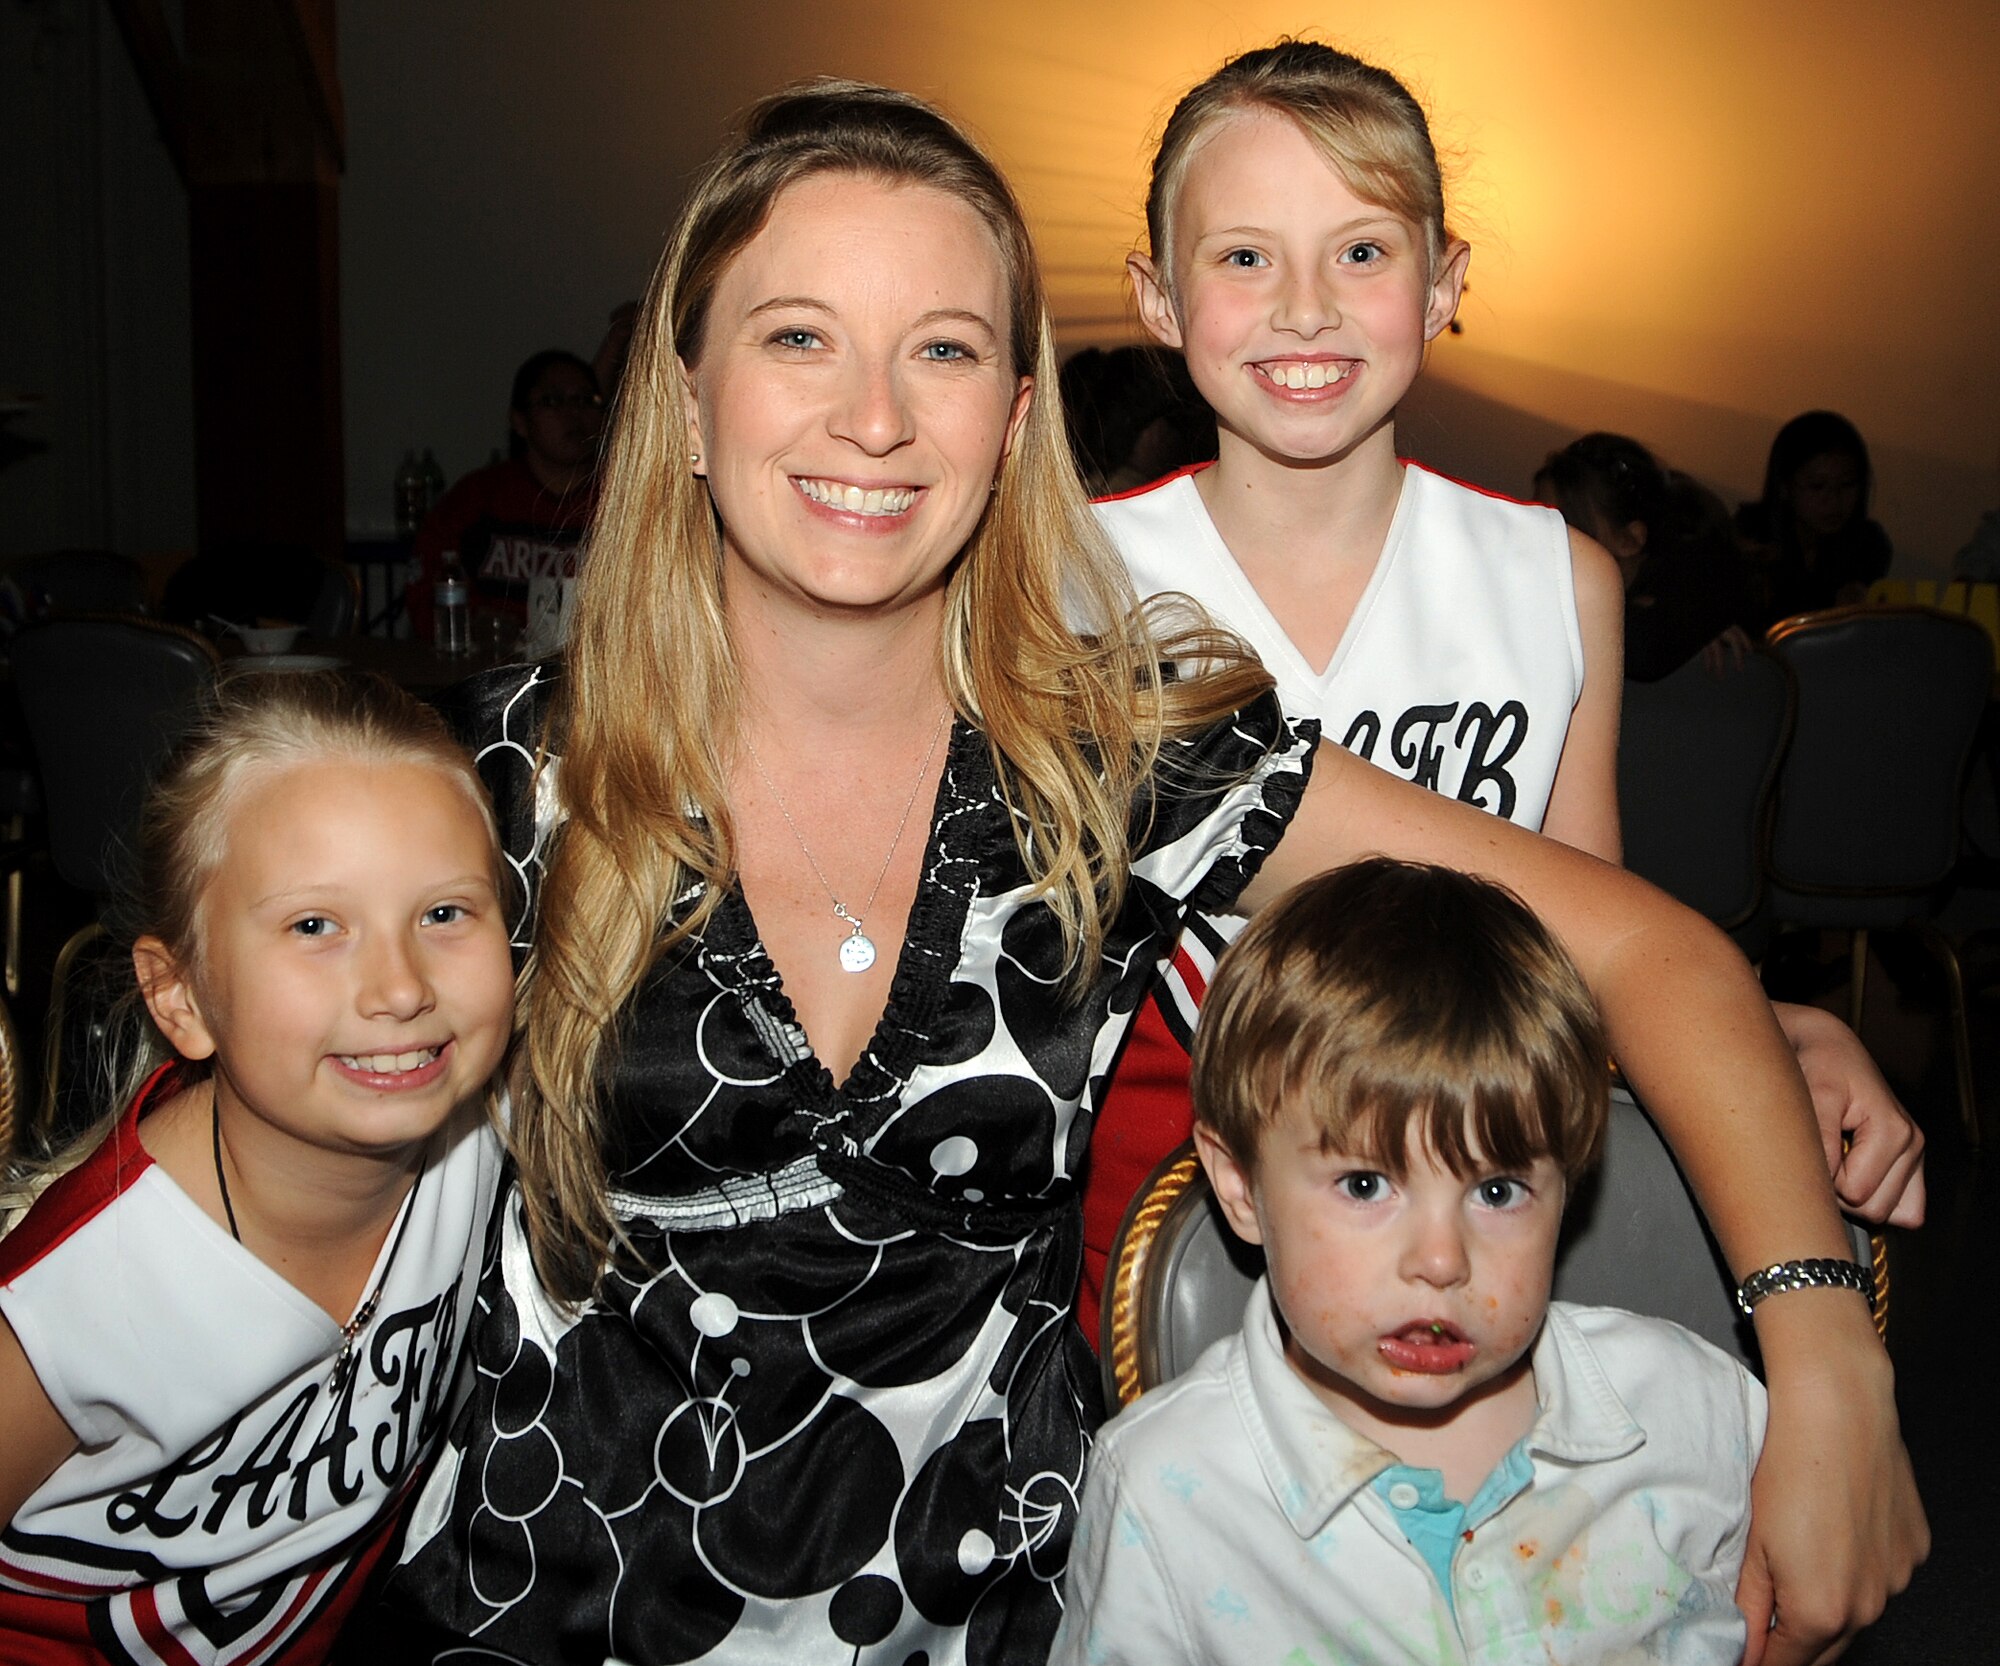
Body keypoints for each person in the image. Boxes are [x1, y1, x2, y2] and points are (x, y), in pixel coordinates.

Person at [384, 80, 1921, 1666]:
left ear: (1017, 413)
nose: (876, 415)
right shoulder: (501, 792)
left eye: (946, 348)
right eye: (798, 337)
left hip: (988, 1612)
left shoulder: (1110, 751)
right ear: (690, 396)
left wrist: (1824, 1358)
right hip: (554, 1608)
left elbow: (1642, 948)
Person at [1080, 39, 1923, 1361]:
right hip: (1161, 1226)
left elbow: (1590, 943)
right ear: (1159, 295)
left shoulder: (1558, 580)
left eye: (1362, 251)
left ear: (1445, 282)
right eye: (1244, 255)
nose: (1304, 304)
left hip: (1469, 1229)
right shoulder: (1069, 582)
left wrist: (1769, 1034)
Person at [1055, 859, 1772, 1664]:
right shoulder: (1166, 1493)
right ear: (1242, 1187)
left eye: (1498, 1192)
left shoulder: (1696, 1412)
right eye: (1366, 1184)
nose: (1440, 1261)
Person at [0, 673, 515, 1662]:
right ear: (180, 994)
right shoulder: (73, 1299)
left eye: (446, 912)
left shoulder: (485, 1129)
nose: (402, 986)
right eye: (314, 925)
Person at [406, 349, 604, 643]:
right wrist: (474, 625)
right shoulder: (476, 498)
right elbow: (426, 592)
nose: (573, 414)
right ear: (520, 421)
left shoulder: (623, 501)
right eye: (552, 401)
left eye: (585, 400)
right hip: (490, 668)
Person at [1534, 432, 1756, 682]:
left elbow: (1640, 652)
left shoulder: (1692, 593)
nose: (1543, 541)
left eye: (1568, 528)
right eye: (1539, 522)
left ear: (1630, 540)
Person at [1735, 410, 1893, 628]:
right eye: (1817, 486)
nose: (1834, 500)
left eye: (1847, 485)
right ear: (1784, 487)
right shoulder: (1751, 537)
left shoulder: (1867, 544)